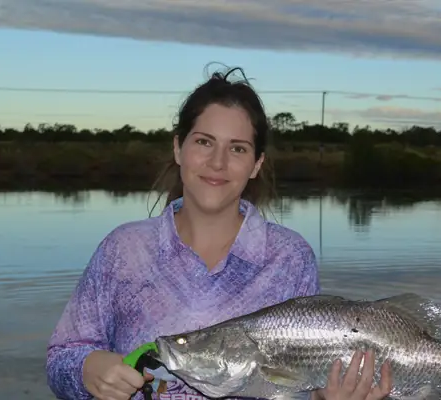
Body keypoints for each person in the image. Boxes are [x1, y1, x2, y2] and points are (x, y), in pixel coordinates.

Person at [45, 65, 392, 400]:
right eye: (204, 142)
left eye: (237, 148)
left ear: (256, 163)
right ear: (179, 148)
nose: (218, 162)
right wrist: (88, 368)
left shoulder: (289, 257)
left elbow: (298, 387)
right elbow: (63, 357)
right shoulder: (124, 249)